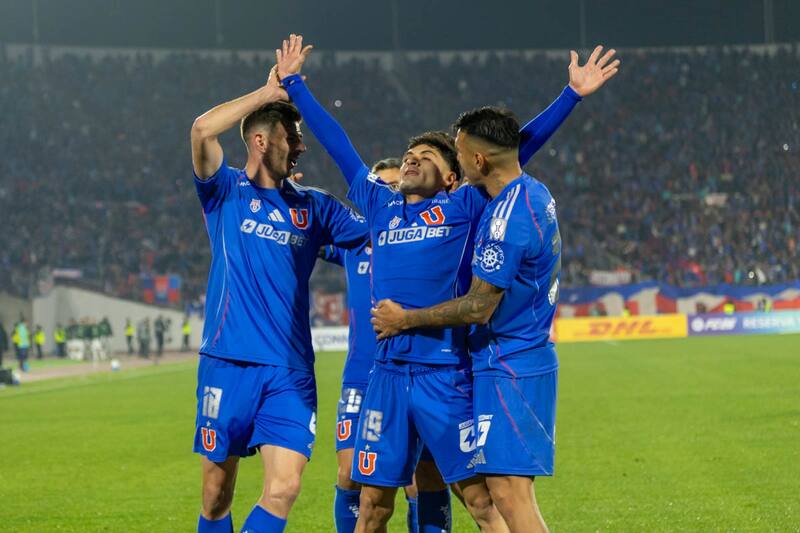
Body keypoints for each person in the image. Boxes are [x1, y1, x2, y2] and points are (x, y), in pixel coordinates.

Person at [277, 34, 609, 532]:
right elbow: (339, 144)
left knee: (482, 500)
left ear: (455, 174)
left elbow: (511, 152)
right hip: (385, 378)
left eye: (428, 155)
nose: (411, 158)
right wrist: (296, 87)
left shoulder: (464, 207)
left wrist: (570, 98)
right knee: (372, 506)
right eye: (408, 154)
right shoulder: (380, 206)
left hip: (446, 375)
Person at [370, 49, 620, 533]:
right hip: (509, 363)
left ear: (477, 161)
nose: (459, 165)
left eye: (460, 155)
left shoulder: (505, 220)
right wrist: (570, 96)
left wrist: (406, 320)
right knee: (503, 494)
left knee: (508, 495)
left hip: (510, 365)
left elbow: (480, 306)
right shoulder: (530, 192)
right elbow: (516, 147)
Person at [190, 52, 368, 533]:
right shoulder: (224, 192)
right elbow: (202, 130)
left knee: (285, 488)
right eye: (294, 137)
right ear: (261, 140)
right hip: (228, 362)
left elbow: (381, 230)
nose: (301, 148)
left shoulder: (315, 208)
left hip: (289, 372)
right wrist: (268, 93)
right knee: (215, 495)